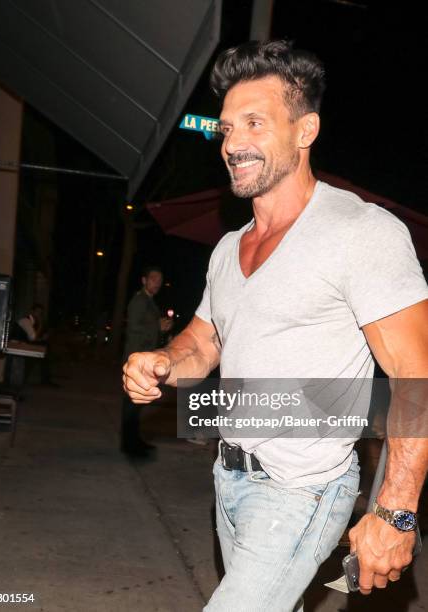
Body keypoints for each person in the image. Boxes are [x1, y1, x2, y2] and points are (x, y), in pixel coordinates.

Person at [123, 40, 428, 610]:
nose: (233, 143)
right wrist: (164, 361)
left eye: (255, 123)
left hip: (300, 491)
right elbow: (203, 342)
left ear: (305, 130)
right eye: (226, 128)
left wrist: (394, 512)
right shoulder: (228, 249)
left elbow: (417, 378)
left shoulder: (361, 233)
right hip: (228, 477)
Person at [121, 266, 172, 457]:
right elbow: (133, 327)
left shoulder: (150, 302)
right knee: (132, 403)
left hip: (143, 358)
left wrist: (161, 329)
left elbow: (148, 329)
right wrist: (157, 325)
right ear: (144, 280)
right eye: (153, 279)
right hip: (135, 358)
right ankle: (130, 444)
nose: (157, 283)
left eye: (159, 280)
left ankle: (133, 441)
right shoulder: (139, 300)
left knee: (136, 403)